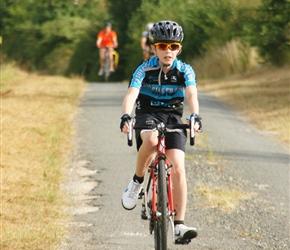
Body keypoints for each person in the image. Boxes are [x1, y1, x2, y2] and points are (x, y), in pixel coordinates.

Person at [120, 20, 202, 242]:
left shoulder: (185, 70)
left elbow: (192, 95)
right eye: (163, 46)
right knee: (152, 141)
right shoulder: (144, 69)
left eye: (173, 46)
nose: (168, 51)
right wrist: (126, 116)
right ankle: (136, 182)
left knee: (178, 168)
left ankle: (179, 225)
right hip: (147, 114)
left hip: (173, 117)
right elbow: (131, 94)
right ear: (154, 47)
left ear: (179, 49)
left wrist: (194, 115)